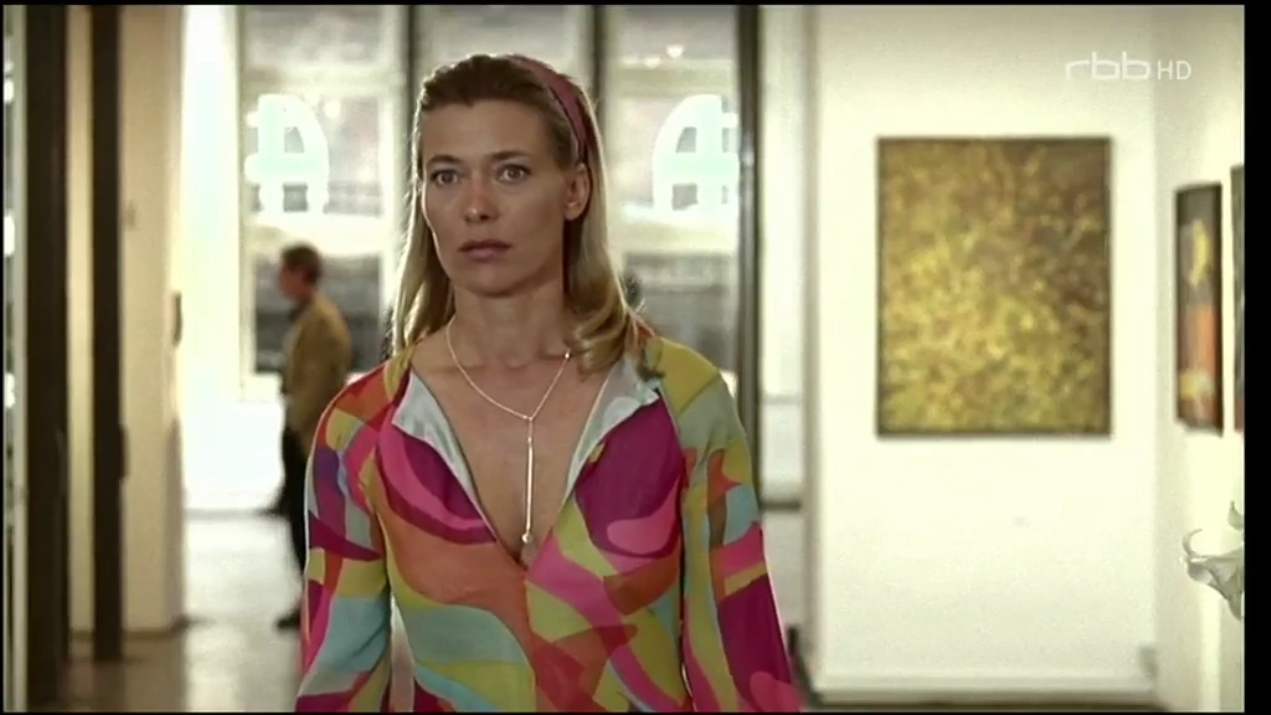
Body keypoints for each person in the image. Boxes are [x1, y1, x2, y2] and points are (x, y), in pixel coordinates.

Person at [295, 54, 799, 712]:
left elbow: (743, 669)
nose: (476, 206)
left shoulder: (678, 401)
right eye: (446, 175)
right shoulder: (363, 430)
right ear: (423, 199)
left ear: (574, 190)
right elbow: (337, 690)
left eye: (511, 172)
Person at [274, 242, 353, 631]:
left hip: (310, 435)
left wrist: (297, 419)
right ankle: (310, 596)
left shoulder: (322, 322)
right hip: (301, 430)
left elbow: (321, 383)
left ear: (301, 274)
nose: (278, 280)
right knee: (297, 519)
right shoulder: (307, 318)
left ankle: (318, 601)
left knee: (309, 522)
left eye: (284, 272)